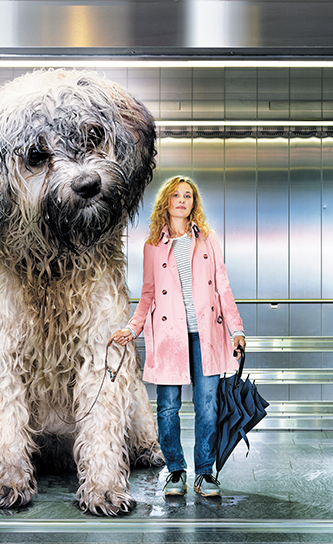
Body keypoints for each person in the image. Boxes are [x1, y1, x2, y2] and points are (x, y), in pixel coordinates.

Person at [112, 176, 246, 499]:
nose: (182, 200)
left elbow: (223, 287)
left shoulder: (208, 240)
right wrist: (133, 328)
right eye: (176, 195)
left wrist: (237, 330)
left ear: (193, 203)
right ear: (167, 202)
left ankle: (204, 472)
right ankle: (175, 469)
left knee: (208, 406)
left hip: (207, 335)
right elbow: (147, 295)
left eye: (188, 195)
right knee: (168, 407)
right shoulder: (152, 246)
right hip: (169, 336)